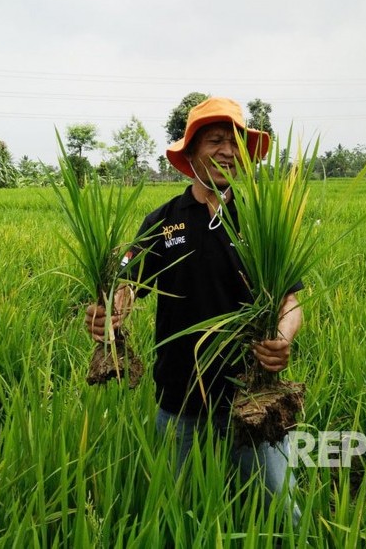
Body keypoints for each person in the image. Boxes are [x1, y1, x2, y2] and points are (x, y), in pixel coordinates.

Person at [85, 97, 303, 523]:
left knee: (283, 511)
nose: (227, 150)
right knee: (176, 514)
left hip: (252, 395)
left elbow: (289, 299)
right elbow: (126, 280)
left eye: (236, 142)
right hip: (179, 397)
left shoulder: (260, 219)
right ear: (190, 153)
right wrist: (109, 311)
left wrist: (283, 338)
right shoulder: (164, 221)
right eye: (216, 140)